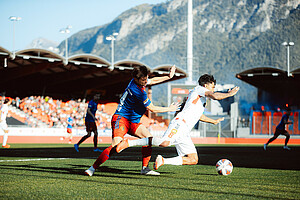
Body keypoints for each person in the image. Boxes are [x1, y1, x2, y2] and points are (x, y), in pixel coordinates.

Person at [116, 74, 240, 171]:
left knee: (193, 159)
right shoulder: (199, 89)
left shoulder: (199, 97)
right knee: (164, 143)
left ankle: (163, 161)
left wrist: (213, 121)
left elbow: (198, 115)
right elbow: (215, 96)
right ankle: (129, 142)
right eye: (212, 86)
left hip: (185, 130)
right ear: (206, 85)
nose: (213, 89)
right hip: (181, 123)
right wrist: (229, 94)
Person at [84, 65, 180, 176]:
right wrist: (170, 108)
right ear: (136, 79)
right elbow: (152, 108)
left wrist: (168, 76)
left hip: (133, 121)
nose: (145, 82)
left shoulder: (138, 81)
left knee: (149, 139)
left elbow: (152, 80)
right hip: (121, 119)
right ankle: (92, 168)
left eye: (145, 79)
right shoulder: (138, 91)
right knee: (116, 146)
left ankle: (145, 168)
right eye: (143, 80)